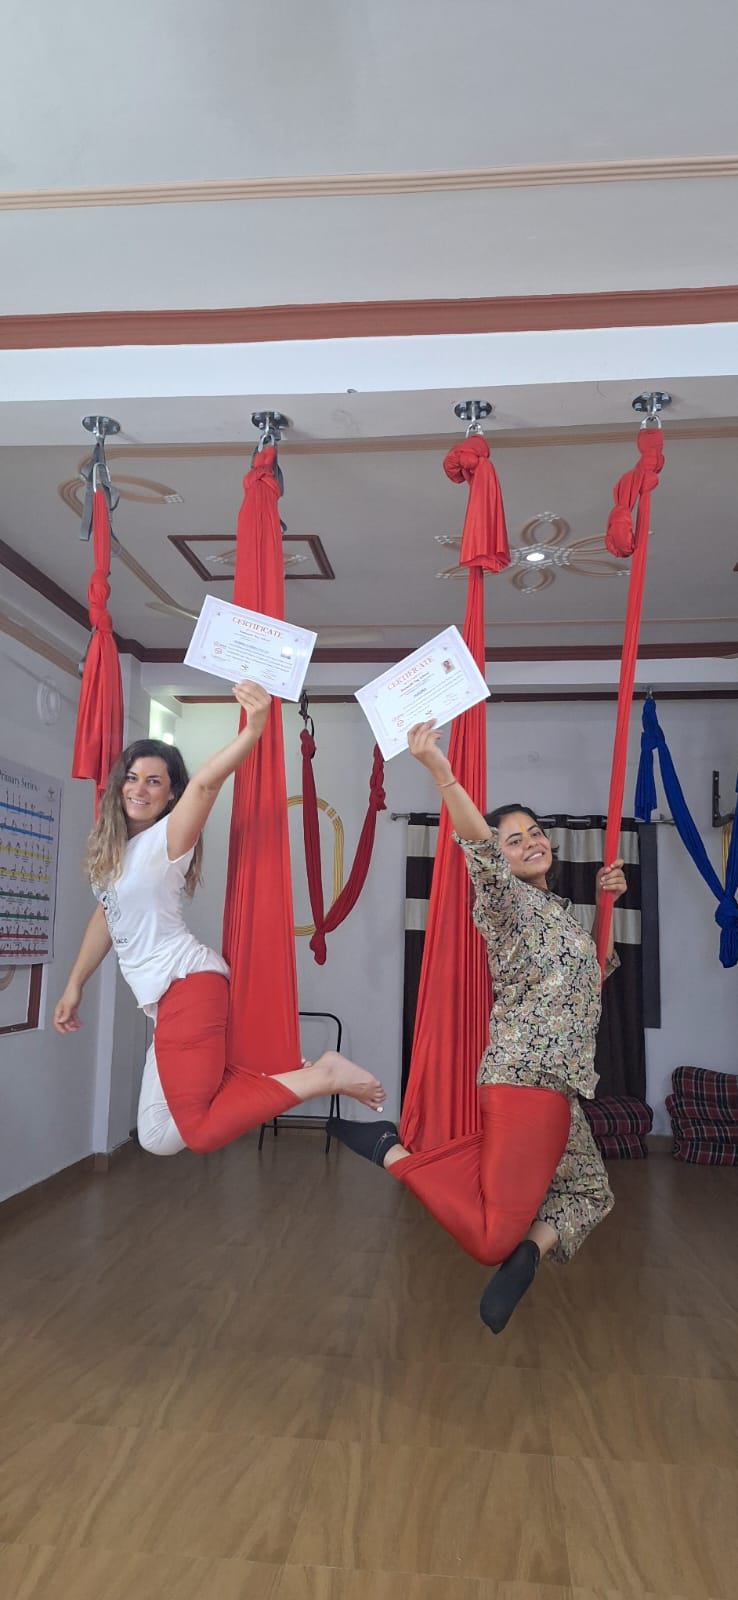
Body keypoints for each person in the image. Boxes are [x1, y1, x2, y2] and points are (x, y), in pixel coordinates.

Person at [329, 719, 625, 1334]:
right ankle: (391, 1150)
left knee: (591, 1192)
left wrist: (608, 908)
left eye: (536, 833)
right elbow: (479, 851)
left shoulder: (565, 918)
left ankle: (527, 1255)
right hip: (524, 1080)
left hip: (559, 1087)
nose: (531, 843)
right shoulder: (506, 905)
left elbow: (596, 976)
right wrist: (440, 770)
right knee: (490, 1236)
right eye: (515, 840)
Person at [54, 681, 385, 1155]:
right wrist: (74, 986)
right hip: (167, 1002)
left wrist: (253, 730)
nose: (139, 788)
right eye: (132, 777)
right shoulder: (116, 855)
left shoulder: (169, 837)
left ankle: (322, 1075)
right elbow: (105, 919)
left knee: (198, 1133)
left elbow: (207, 782)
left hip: (189, 988)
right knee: (155, 1137)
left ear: (171, 796)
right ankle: (270, 1069)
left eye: (154, 780)